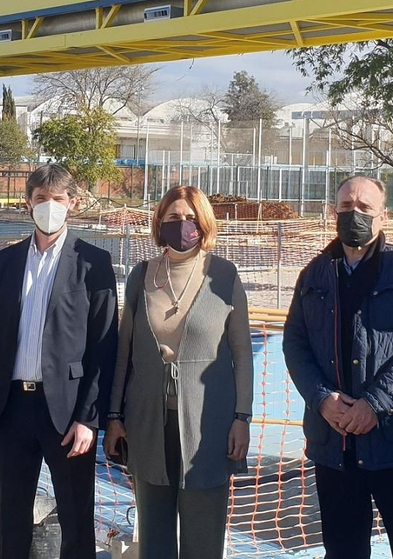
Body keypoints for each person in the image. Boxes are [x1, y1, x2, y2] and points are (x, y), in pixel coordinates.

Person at [283, 175, 393, 559]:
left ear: (383, 217)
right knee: (343, 552)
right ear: (332, 212)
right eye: (345, 207)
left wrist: (375, 403)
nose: (354, 214)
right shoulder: (314, 274)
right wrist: (323, 401)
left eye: (365, 208)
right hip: (335, 446)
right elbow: (295, 343)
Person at [0, 164, 119, 559]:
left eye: (57, 199)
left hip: (68, 414)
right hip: (11, 408)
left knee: (75, 518)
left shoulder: (94, 263)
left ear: (73, 204)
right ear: (27, 204)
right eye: (40, 199)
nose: (48, 207)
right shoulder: (6, 262)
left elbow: (105, 347)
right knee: (11, 517)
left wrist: (89, 418)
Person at [105, 185, 253, 559]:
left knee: (202, 541)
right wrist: (114, 415)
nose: (182, 225)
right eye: (173, 218)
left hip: (208, 427)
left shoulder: (223, 275)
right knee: (154, 539)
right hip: (148, 424)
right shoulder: (141, 276)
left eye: (190, 217)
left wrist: (241, 418)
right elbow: (124, 350)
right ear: (159, 223)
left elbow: (241, 352)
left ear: (203, 224)